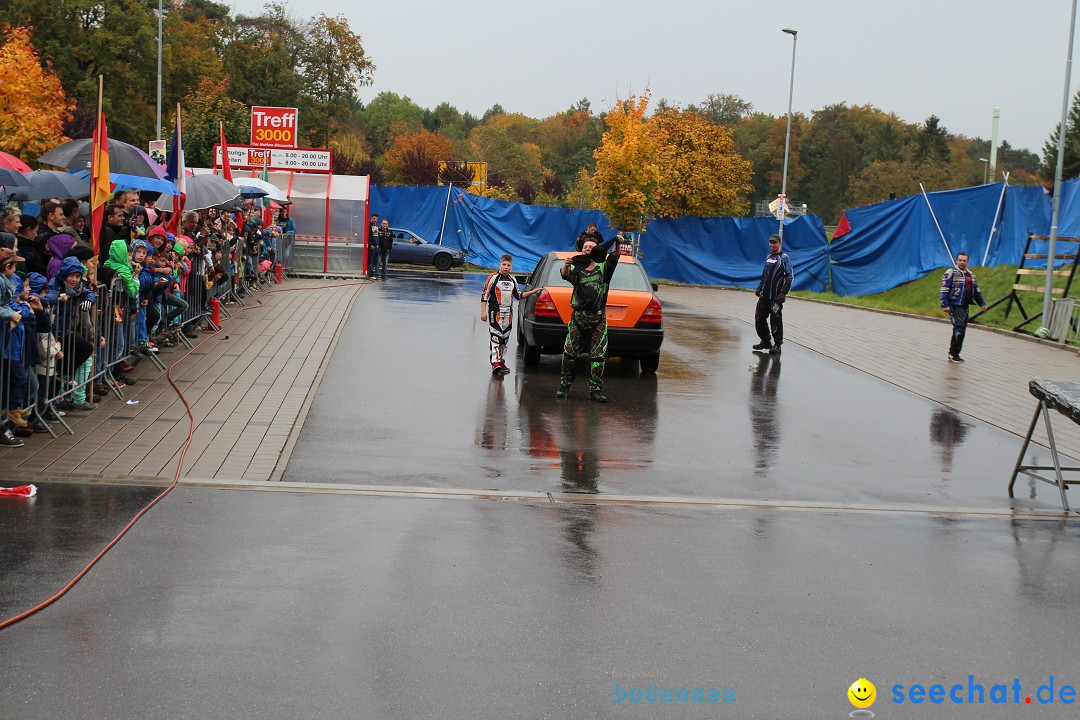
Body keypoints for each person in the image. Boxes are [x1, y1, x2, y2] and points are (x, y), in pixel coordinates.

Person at [556, 236, 621, 402]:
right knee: (569, 353)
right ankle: (564, 386)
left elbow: (615, 256)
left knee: (598, 356)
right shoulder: (577, 267)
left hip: (598, 318)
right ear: (582, 249)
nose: (587, 249)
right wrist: (566, 265)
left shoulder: (604, 268)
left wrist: (618, 241)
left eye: (591, 246)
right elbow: (565, 276)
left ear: (596, 250)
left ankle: (595, 390)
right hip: (578, 317)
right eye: (585, 246)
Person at [481, 254, 540, 375]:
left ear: (511, 266)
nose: (506, 267)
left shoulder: (513, 279)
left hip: (509, 313)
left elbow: (518, 295)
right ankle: (495, 363)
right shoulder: (493, 277)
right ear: (500, 264)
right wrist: (483, 312)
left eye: (508, 265)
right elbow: (484, 295)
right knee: (496, 336)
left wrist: (532, 292)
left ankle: (501, 361)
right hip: (495, 311)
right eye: (504, 265)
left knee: (505, 338)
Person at [939, 251, 987, 363]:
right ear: (956, 261)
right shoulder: (951, 272)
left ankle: (954, 353)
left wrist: (982, 303)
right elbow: (944, 290)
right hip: (955, 305)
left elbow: (976, 291)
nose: (962, 262)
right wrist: (945, 305)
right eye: (960, 260)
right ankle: (953, 354)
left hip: (965, 305)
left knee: (962, 330)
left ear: (967, 262)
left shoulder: (970, 274)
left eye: (964, 260)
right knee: (959, 328)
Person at [753, 234, 793, 355]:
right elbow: (764, 274)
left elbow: (789, 277)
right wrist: (759, 287)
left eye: (774, 242)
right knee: (759, 317)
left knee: (775, 320)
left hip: (776, 297)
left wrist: (783, 293)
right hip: (764, 295)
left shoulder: (784, 257)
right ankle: (765, 341)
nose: (772, 245)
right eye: (770, 242)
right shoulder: (768, 256)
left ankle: (777, 345)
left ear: (779, 243)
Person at [368, 213, 380, 277]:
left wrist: (377, 244)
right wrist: (370, 245)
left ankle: (371, 272)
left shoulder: (375, 225)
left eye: (376, 219)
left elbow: (376, 236)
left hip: (375, 246)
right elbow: (368, 236)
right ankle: (370, 274)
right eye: (374, 218)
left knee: (375, 260)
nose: (375, 220)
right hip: (371, 246)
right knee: (370, 260)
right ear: (371, 218)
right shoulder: (369, 225)